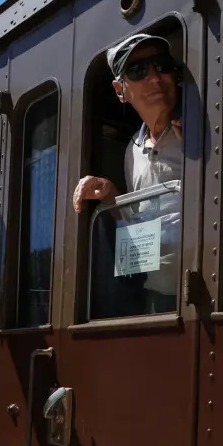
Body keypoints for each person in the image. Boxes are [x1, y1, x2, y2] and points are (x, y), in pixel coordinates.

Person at [72, 32, 183, 312]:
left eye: (162, 65)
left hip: (201, 288)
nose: (155, 78)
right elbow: (140, 224)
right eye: (138, 70)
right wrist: (111, 196)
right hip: (158, 292)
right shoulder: (131, 150)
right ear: (120, 91)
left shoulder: (201, 126)